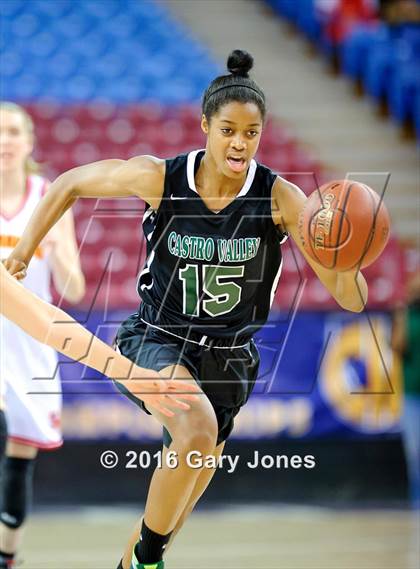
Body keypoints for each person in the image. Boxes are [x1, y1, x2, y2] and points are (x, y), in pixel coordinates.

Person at [5, 50, 368, 569]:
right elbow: (68, 183)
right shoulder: (161, 178)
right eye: (228, 130)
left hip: (231, 361)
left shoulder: (281, 199)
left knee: (173, 505)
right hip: (157, 339)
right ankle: (150, 558)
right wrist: (22, 251)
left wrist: (346, 254)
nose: (239, 142)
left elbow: (350, 298)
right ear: (205, 126)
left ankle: (140, 558)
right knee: (194, 429)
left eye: (251, 132)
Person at [391, 273, 420, 510]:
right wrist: (401, 315)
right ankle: (417, 501)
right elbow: (398, 347)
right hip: (411, 392)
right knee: (415, 452)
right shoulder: (407, 315)